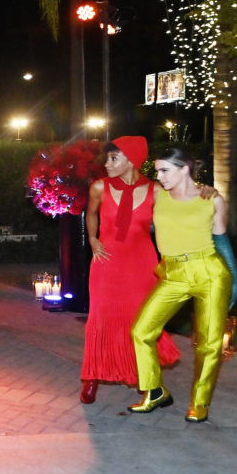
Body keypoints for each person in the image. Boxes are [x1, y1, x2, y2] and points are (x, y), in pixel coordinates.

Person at [129, 148, 237, 423]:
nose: (159, 176)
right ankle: (155, 391)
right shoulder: (157, 194)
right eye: (157, 170)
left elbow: (222, 242)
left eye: (165, 170)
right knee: (141, 331)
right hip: (172, 273)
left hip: (209, 272)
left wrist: (235, 280)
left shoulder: (211, 199)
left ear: (184, 169)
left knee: (209, 344)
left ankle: (200, 403)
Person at [79, 136, 180, 403]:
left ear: (132, 160)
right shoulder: (99, 187)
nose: (107, 163)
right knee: (100, 319)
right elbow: (91, 213)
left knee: (140, 321)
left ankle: (145, 379)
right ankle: (91, 377)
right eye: (107, 158)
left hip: (142, 265)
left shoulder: (156, 191)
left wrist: (207, 193)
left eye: (114, 158)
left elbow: (182, 210)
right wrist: (92, 238)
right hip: (107, 263)